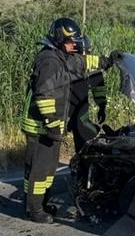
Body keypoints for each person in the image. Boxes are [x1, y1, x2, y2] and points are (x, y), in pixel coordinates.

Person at [20, 18, 115, 224]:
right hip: (41, 126)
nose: (75, 46)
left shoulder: (60, 56)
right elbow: (44, 95)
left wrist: (107, 61)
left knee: (47, 169)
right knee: (40, 170)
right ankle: (34, 210)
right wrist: (53, 125)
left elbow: (82, 62)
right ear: (60, 39)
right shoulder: (49, 61)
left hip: (47, 126)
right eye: (71, 42)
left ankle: (40, 204)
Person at [68, 36, 108, 154]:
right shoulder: (67, 63)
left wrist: (102, 106)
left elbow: (98, 87)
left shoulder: (87, 65)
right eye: (87, 52)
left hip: (79, 112)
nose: (88, 55)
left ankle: (82, 159)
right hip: (70, 111)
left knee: (83, 137)